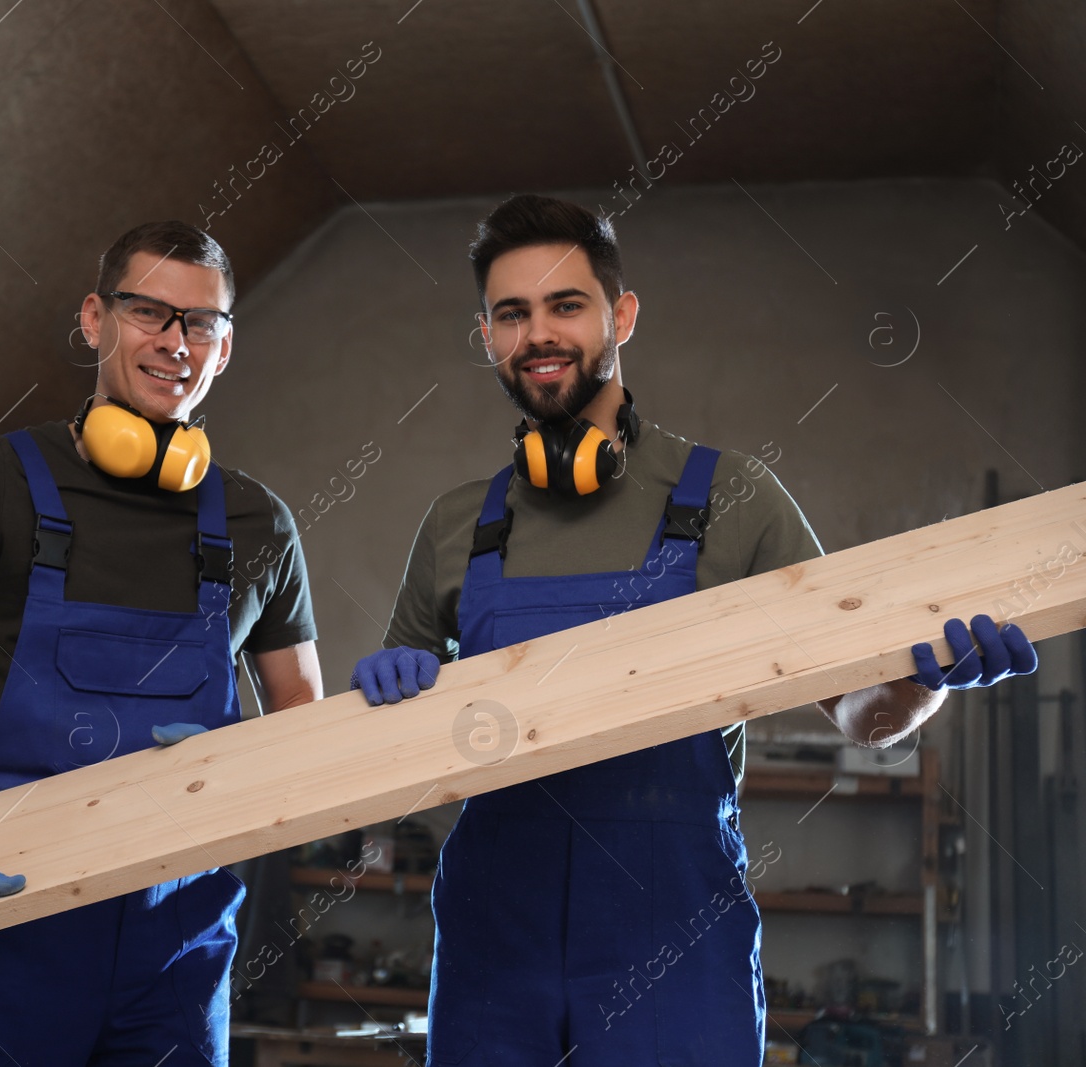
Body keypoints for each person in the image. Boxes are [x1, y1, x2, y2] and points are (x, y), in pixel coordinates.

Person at [349, 194, 1038, 1066]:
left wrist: (928, 678)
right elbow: (396, 759)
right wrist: (387, 704)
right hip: (496, 945)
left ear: (621, 314)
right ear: (485, 334)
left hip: (671, 944)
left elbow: (860, 715)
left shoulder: (731, 498)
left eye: (567, 305)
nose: (539, 334)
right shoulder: (457, 523)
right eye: (512, 313)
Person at [0, 220, 323, 1066]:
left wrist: (240, 760)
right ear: (95, 319)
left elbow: (304, 717)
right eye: (149, 312)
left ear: (225, 347)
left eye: (200, 322)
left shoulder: (259, 522)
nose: (175, 342)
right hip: (0, 925)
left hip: (178, 943)